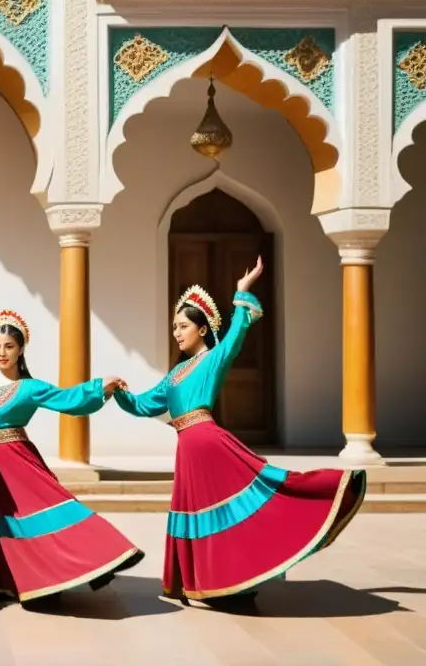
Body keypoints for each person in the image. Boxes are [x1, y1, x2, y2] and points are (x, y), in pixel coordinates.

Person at [113, 257, 366, 608]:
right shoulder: (174, 375)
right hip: (188, 451)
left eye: (183, 325)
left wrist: (241, 292)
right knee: (202, 515)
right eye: (174, 326)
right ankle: (206, 582)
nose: (177, 332)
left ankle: (238, 581)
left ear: (202, 329)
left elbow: (237, 332)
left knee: (231, 511)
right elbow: (144, 404)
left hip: (211, 444)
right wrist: (116, 392)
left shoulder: (214, 358)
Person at [0, 310, 143, 605]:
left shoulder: (30, 387)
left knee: (42, 520)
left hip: (20, 464)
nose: (2, 353)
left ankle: (64, 575)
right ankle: (4, 582)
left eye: (9, 346)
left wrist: (100, 387)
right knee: (0, 526)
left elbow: (68, 399)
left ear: (21, 349)